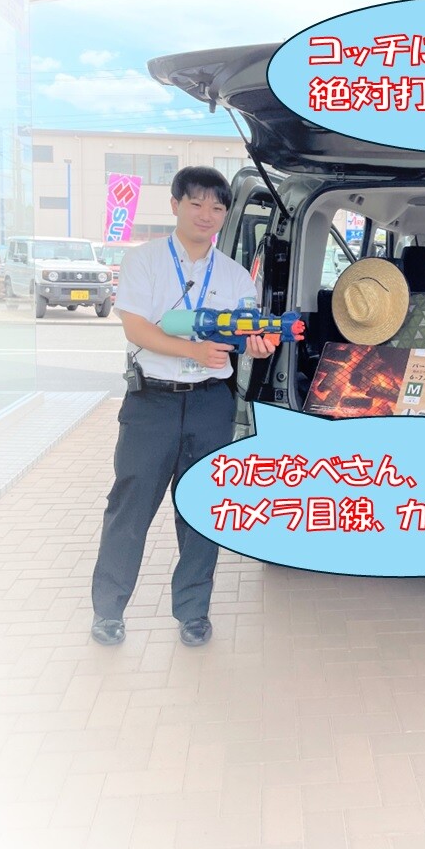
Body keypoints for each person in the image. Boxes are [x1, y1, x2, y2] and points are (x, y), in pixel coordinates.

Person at [91, 167, 277, 648]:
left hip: (211, 403)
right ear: (175, 205)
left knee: (201, 509)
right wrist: (192, 350)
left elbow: (242, 338)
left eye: (217, 207)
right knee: (130, 507)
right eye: (196, 203)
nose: (206, 214)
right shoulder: (144, 260)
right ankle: (108, 611)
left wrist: (257, 346)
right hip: (150, 402)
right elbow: (136, 328)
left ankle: (194, 612)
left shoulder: (236, 275)